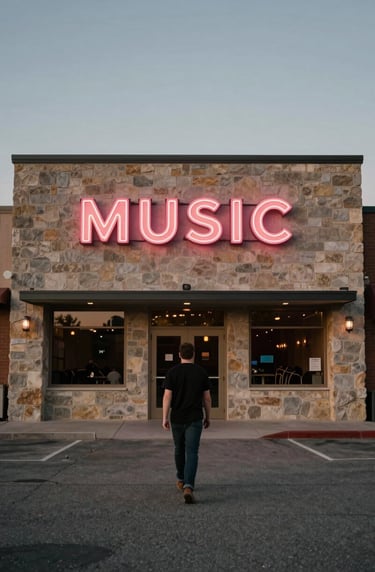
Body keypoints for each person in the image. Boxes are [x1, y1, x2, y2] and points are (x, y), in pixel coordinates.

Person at [162, 342, 211, 504]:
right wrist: (208, 416)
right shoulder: (201, 372)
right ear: (194, 354)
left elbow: (167, 396)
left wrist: (164, 417)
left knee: (179, 449)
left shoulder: (172, 372)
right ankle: (188, 486)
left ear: (179, 354)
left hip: (177, 417)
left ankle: (181, 479)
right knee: (192, 452)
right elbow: (207, 398)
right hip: (195, 418)